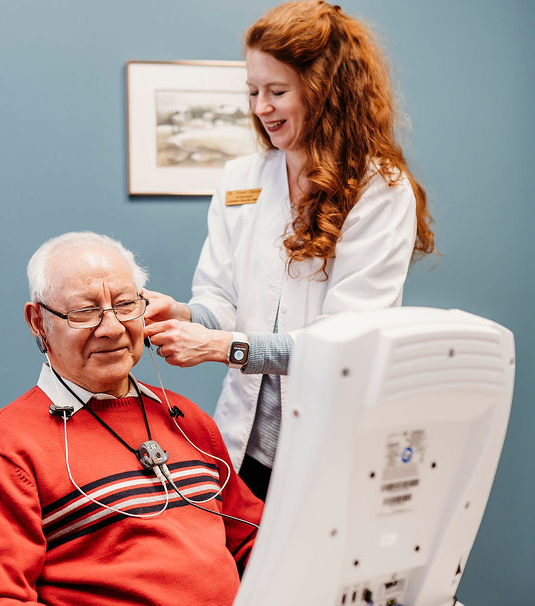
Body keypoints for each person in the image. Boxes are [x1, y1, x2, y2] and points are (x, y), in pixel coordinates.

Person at [142, 0, 436, 500]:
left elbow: (343, 342)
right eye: (253, 91)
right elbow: (221, 302)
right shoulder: (241, 180)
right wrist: (186, 314)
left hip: (330, 442)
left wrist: (220, 347)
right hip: (247, 446)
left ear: (325, 92)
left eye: (277, 91)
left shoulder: (379, 190)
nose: (260, 108)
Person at [0, 232, 264, 606]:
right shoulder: (7, 449)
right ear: (38, 322)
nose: (113, 327)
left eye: (125, 305)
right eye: (85, 311)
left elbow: (251, 542)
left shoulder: (186, 419)